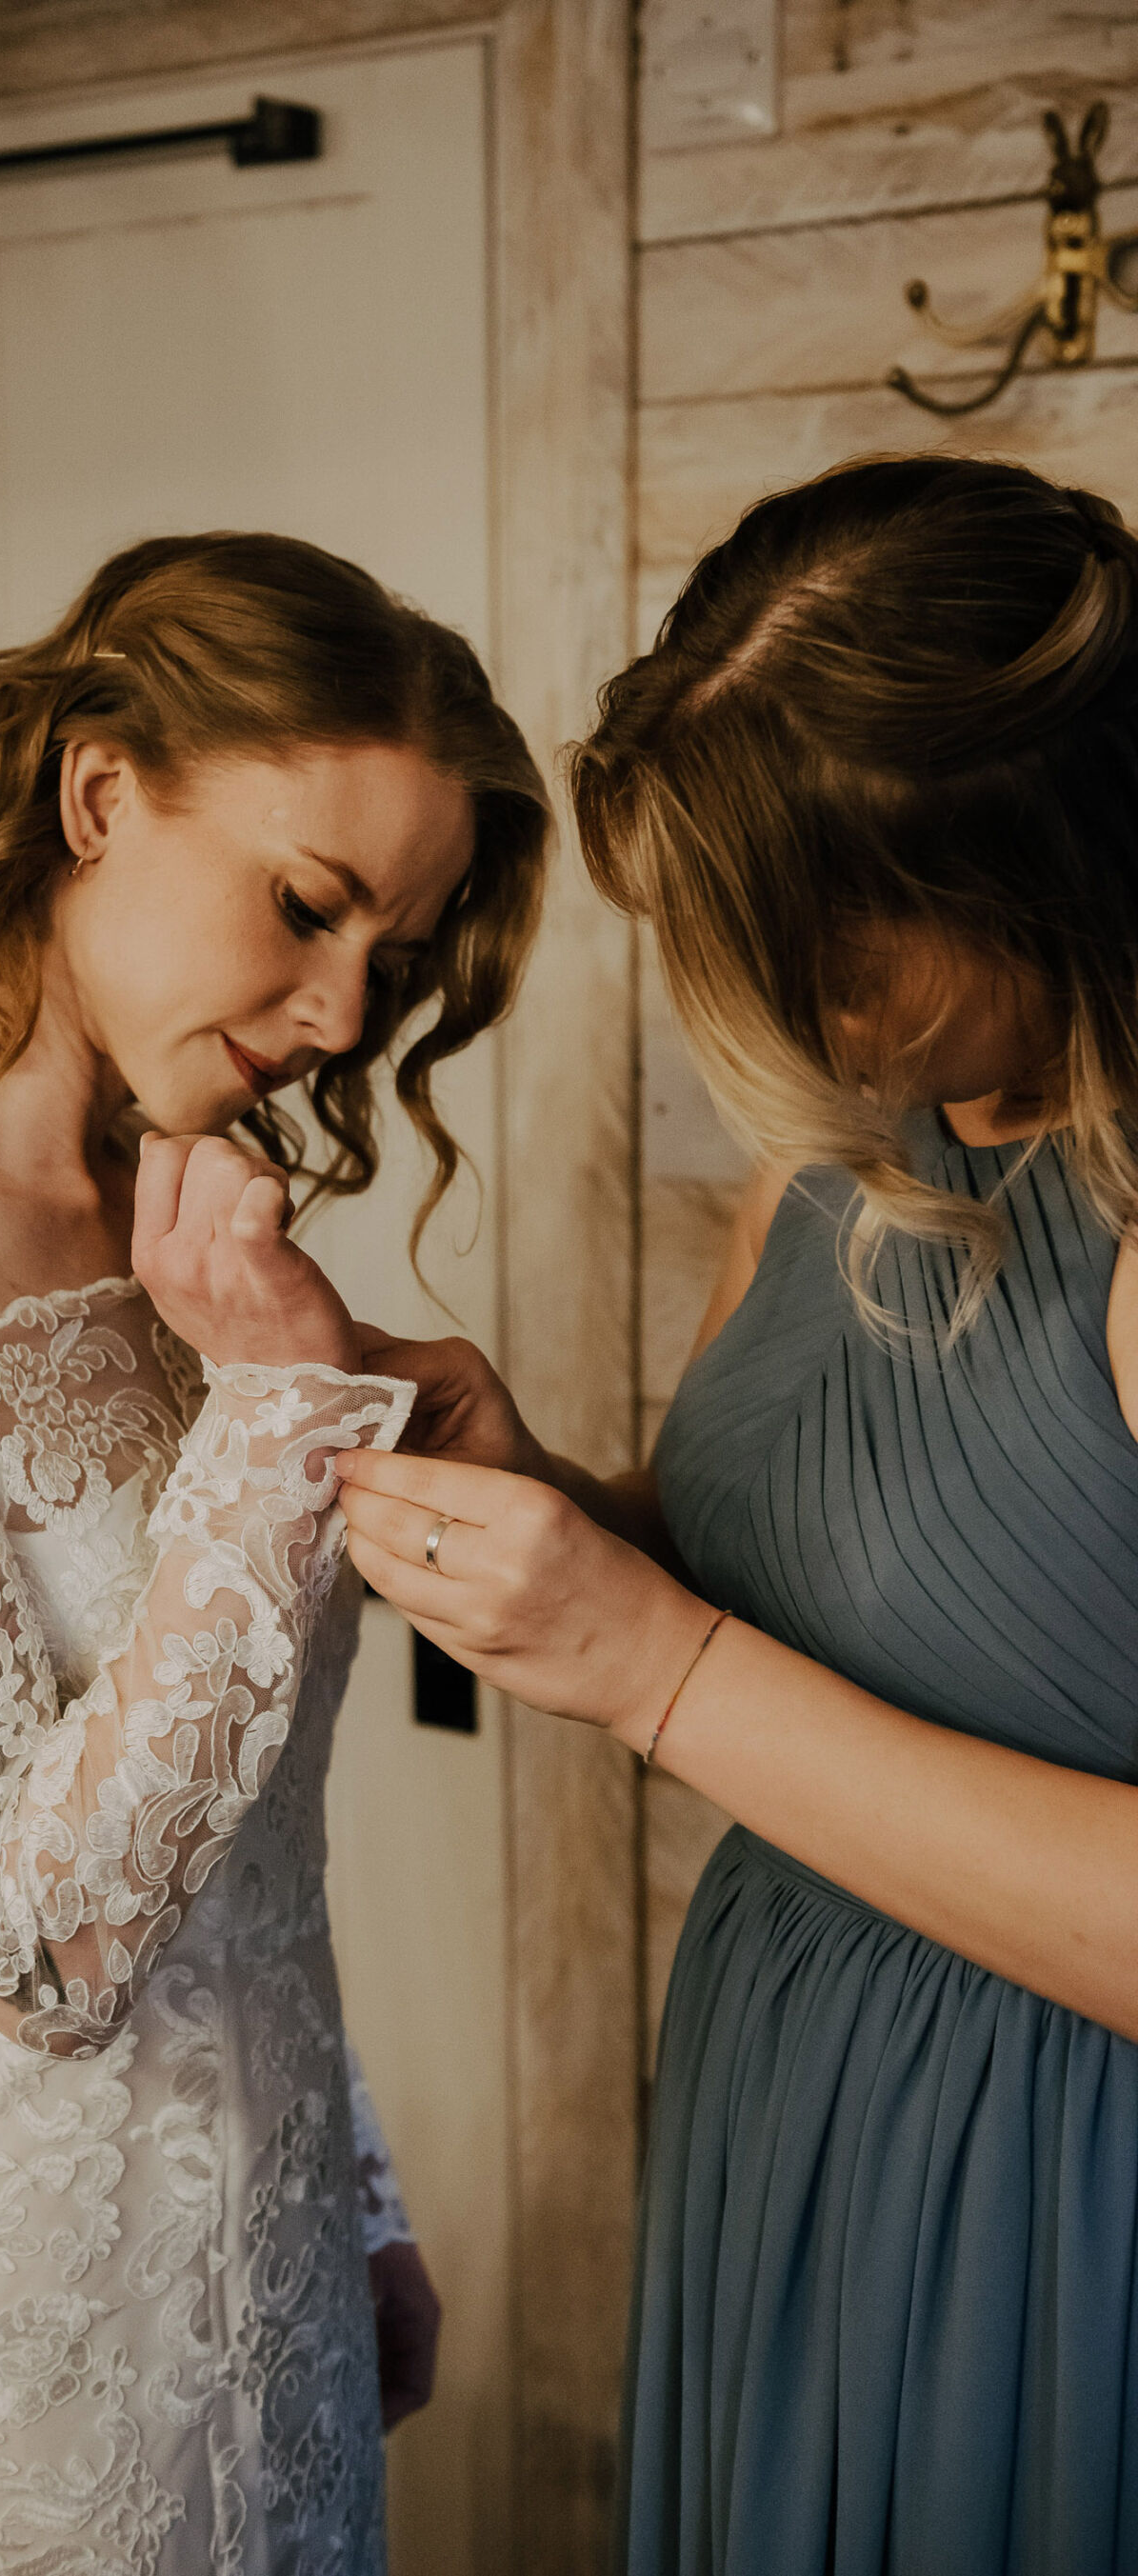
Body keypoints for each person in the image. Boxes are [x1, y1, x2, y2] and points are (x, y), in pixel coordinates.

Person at [0, 530, 551, 2574]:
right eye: (306, 908)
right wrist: (287, 1416)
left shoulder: (181, 1229)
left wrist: (359, 2194)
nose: (339, 1015)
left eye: (387, 958)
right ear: (96, 794)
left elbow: (229, 1842)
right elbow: (37, 1947)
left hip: (271, 2303)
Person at [337, 457, 1138, 2573]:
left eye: (813, 934)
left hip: (1066, 2172)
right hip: (799, 2085)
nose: (761, 1001)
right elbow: (800, 1578)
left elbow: (704, 1662)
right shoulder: (845, 1148)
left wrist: (648, 1663)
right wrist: (540, 1493)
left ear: (1032, 860)